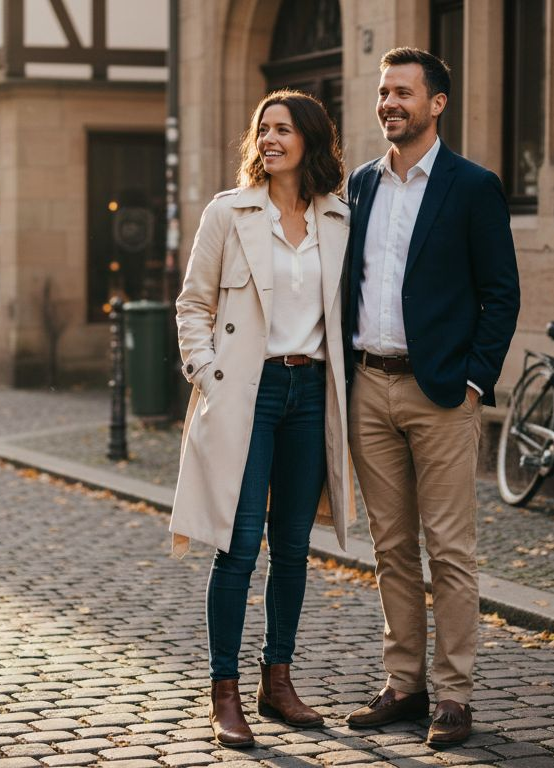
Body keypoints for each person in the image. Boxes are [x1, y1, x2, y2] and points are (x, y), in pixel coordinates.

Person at [342, 47, 520, 747]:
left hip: (442, 393)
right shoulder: (361, 185)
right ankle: (403, 684)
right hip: (369, 388)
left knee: (449, 549)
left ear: (437, 103)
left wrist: (475, 377)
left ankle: (454, 695)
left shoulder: (472, 187)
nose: (389, 102)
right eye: (384, 92)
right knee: (391, 548)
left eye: (403, 92)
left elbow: (500, 294)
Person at [171, 89, 354, 749]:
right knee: (239, 544)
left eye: (284, 129)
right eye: (263, 129)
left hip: (310, 396)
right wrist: (207, 374)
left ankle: (277, 681)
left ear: (310, 139)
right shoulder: (229, 212)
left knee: (295, 548)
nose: (270, 139)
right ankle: (224, 691)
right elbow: (191, 304)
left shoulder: (339, 217)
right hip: (246, 393)